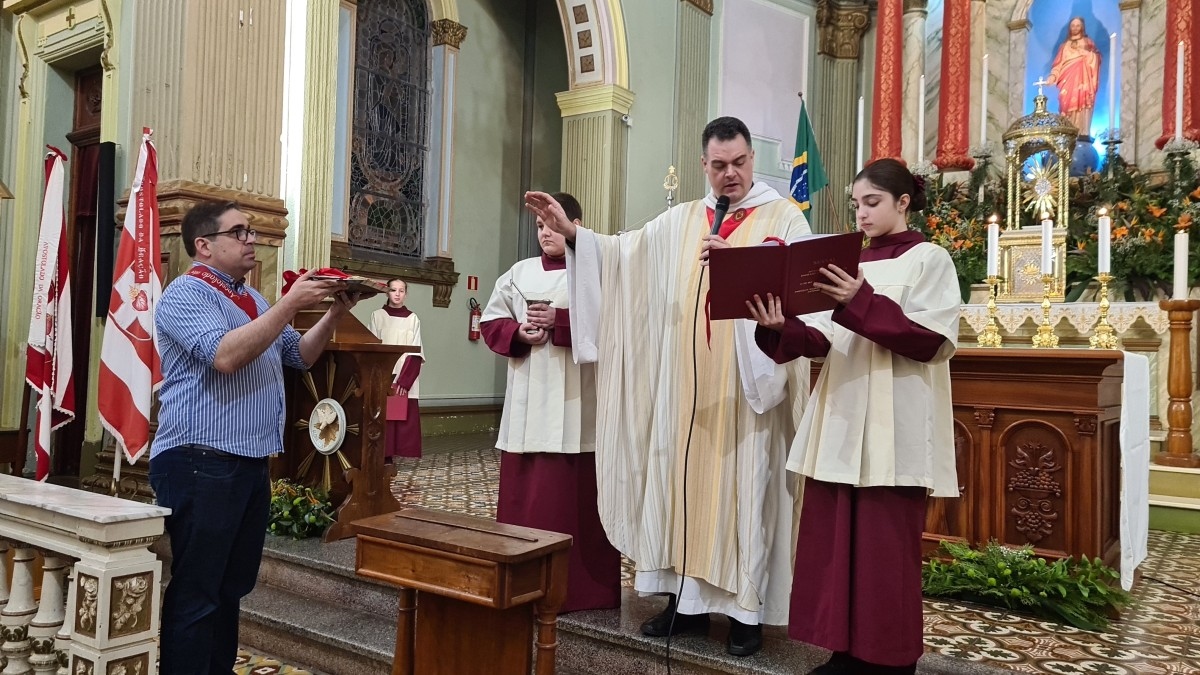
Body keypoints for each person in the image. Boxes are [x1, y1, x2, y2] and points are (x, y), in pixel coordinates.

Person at [524, 117, 811, 656]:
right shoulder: (680, 221)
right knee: (678, 487)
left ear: (753, 159)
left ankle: (746, 614)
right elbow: (621, 256)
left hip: (746, 396)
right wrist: (573, 233)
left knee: (745, 496)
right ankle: (685, 602)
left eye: (740, 163)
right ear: (704, 165)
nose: (730, 174)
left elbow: (803, 290)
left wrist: (745, 268)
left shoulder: (785, 218)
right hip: (683, 390)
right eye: (719, 165)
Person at [748, 158, 960, 675]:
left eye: (872, 202)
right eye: (855, 204)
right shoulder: (847, 262)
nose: (860, 213)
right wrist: (779, 327)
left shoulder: (929, 260)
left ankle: (888, 660)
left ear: (903, 202)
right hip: (842, 412)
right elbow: (822, 336)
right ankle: (841, 651)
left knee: (885, 549)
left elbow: (931, 341)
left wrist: (859, 299)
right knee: (833, 543)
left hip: (896, 418)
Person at [149, 200, 359, 675]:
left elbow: (299, 357)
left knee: (230, 587)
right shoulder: (185, 294)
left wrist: (333, 314)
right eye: (239, 232)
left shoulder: (252, 299)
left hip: (246, 462)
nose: (252, 240)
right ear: (203, 245)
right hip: (200, 459)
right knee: (198, 589)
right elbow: (224, 357)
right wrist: (291, 302)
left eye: (251, 232)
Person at [480, 191, 622, 613]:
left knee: (572, 504)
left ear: (572, 223)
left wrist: (559, 323)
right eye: (539, 227)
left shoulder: (596, 270)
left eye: (552, 225)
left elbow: (613, 324)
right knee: (527, 504)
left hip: (577, 401)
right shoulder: (518, 273)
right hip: (528, 399)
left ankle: (581, 590)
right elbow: (491, 321)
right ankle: (522, 584)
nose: (545, 233)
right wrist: (519, 333)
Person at [370, 278, 424, 459]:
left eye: (401, 291)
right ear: (387, 292)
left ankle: (394, 456)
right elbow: (372, 346)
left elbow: (417, 350)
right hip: (383, 374)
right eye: (394, 290)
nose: (398, 294)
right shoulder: (378, 316)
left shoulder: (412, 318)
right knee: (381, 415)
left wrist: (405, 379)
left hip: (403, 376)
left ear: (406, 294)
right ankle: (382, 456)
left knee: (400, 416)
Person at [1047, 16, 1101, 135]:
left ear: (1082, 27)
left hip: (1084, 81)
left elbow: (1097, 58)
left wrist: (1086, 54)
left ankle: (1083, 132)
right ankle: (1067, 133)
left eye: (1078, 25)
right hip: (1068, 82)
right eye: (1073, 26)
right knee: (1066, 104)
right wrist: (1052, 76)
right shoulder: (1064, 46)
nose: (1075, 28)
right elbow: (1058, 65)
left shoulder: (1088, 43)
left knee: (1083, 103)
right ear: (1069, 28)